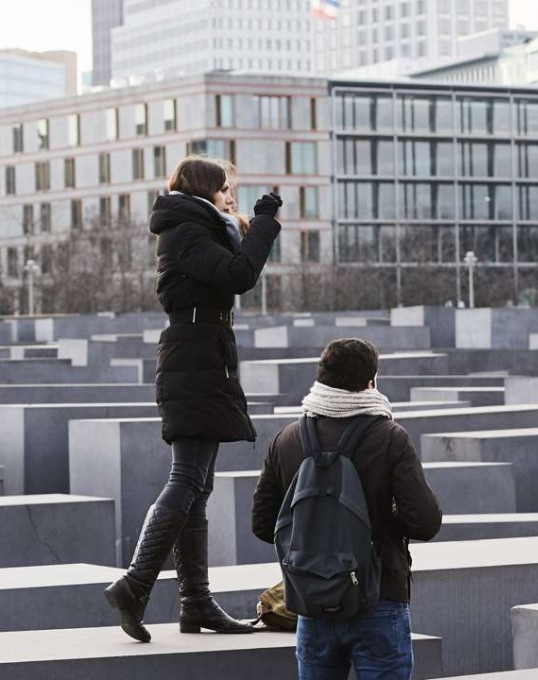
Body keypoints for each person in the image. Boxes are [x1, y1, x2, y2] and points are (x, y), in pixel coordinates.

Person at [105, 155, 283, 643]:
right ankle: (135, 583)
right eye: (227, 188)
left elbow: (232, 266)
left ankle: (195, 602)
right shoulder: (185, 232)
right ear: (205, 188)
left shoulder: (198, 226)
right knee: (186, 480)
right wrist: (265, 225)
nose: (233, 197)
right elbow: (239, 273)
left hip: (204, 357)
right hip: (194, 359)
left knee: (197, 487)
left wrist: (254, 223)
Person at [252, 338, 442, 679]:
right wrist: (376, 528)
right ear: (371, 382)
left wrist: (313, 543)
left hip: (312, 604)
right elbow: (425, 521)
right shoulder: (389, 437)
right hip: (379, 598)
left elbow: (263, 524)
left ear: (321, 378)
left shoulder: (287, 439)